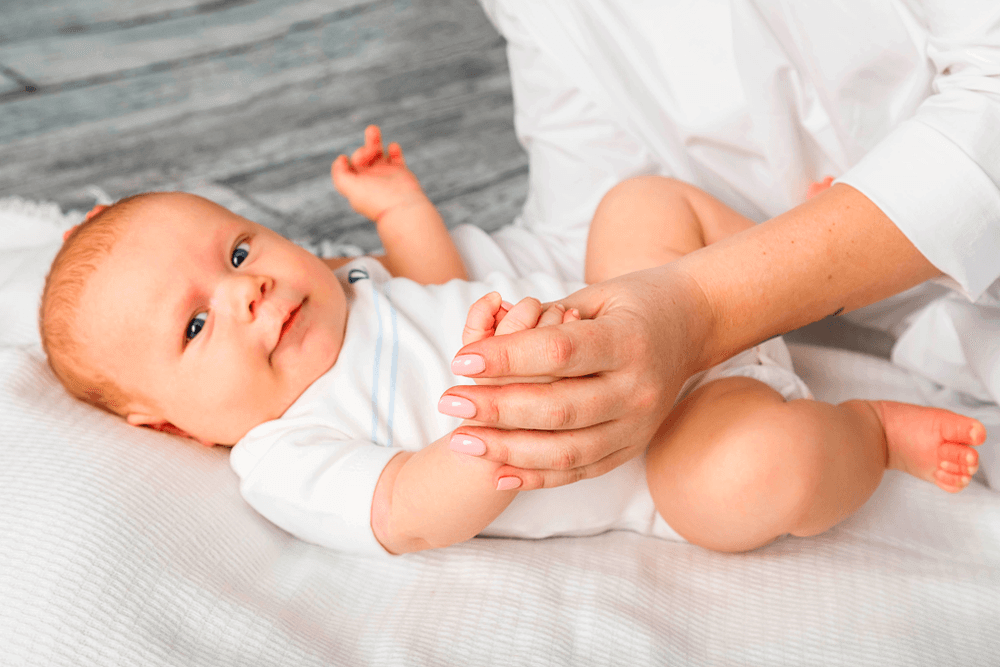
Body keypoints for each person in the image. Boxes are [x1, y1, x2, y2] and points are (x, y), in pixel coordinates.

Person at [38, 127, 983, 556]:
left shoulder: (346, 283)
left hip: (643, 309)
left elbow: (432, 276)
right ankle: (870, 435)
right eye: (195, 323)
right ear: (168, 424)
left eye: (239, 249)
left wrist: (401, 210)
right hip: (670, 446)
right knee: (751, 477)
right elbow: (406, 510)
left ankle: (789, 263)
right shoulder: (282, 453)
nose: (246, 290)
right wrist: (496, 430)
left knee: (637, 205)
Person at [437, 0, 1000, 491]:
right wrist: (405, 287)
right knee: (726, 474)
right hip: (935, 346)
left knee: (736, 472)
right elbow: (582, 220)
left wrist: (700, 310)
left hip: (940, 319)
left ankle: (877, 433)